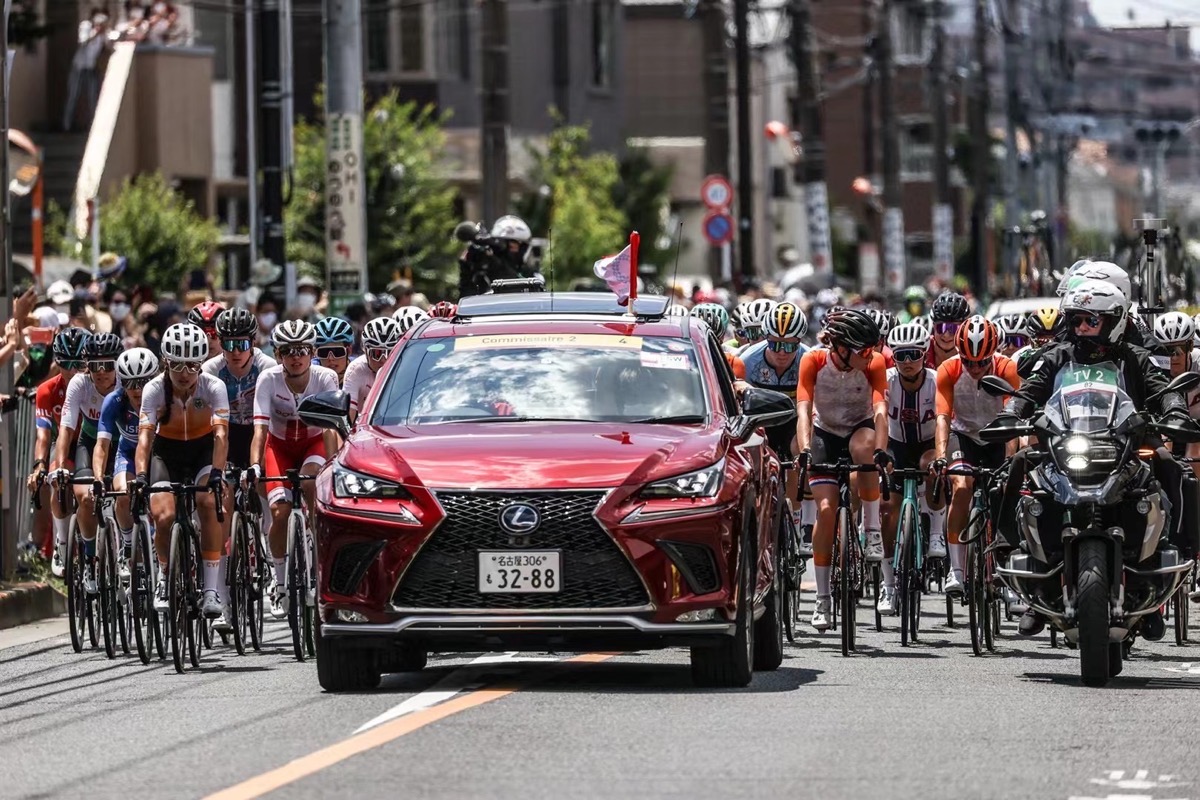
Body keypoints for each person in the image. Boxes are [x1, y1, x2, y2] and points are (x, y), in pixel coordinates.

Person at [995, 279, 1192, 638]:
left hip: (1127, 442)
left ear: (1114, 320)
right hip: (1065, 442)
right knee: (1020, 462)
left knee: (1171, 466)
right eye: (1075, 320)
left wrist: (1175, 410)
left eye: (1090, 320)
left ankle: (1177, 552)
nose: (1081, 328)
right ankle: (1013, 551)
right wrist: (1013, 412)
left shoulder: (1135, 356)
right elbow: (1031, 389)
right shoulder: (1058, 354)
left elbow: (1163, 389)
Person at [795, 308, 890, 631]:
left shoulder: (875, 363)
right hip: (825, 433)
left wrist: (880, 450)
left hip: (859, 429)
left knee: (864, 447)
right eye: (863, 350)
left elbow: (879, 410)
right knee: (825, 509)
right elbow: (804, 409)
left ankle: (873, 530)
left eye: (872, 348)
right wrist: (806, 449)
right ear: (842, 348)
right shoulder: (814, 361)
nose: (871, 355)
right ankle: (822, 599)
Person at [133, 323, 230, 618]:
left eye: (192, 365)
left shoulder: (214, 386)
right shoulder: (153, 389)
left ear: (201, 364)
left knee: (208, 502)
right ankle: (165, 576)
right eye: (177, 364)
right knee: (163, 517)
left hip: (203, 451)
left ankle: (212, 591)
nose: (185, 372)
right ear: (166, 362)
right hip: (167, 454)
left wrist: (216, 473)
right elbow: (145, 439)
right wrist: (139, 476)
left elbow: (221, 436)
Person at [247, 320, 339, 618]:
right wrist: (255, 466)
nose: (295, 356)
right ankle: (280, 579)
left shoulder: (325, 378)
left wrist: (335, 465)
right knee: (279, 511)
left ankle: (316, 547)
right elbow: (259, 430)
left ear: (311, 352)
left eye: (301, 350)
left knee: (313, 484)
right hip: (279, 446)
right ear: (278, 355)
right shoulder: (268, 379)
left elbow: (329, 429)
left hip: (314, 443)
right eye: (287, 351)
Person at [933, 316, 1019, 596]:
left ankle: (1005, 567)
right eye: (968, 362)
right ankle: (956, 570)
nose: (975, 368)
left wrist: (1009, 461)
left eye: (982, 362)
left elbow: (1013, 420)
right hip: (964, 436)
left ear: (992, 355)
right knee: (961, 487)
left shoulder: (1007, 368)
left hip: (997, 436)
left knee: (1005, 491)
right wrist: (940, 456)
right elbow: (943, 418)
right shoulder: (949, 369)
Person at [50, 332, 123, 594]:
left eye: (107, 365)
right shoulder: (79, 384)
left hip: (120, 445)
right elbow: (66, 430)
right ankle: (90, 559)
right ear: (86, 367)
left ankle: (131, 550)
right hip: (89, 443)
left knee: (127, 496)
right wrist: (59, 466)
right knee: (85, 496)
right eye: (94, 366)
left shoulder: (126, 382)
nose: (101, 372)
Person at [879, 322, 943, 615]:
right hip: (895, 445)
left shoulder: (936, 380)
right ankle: (888, 584)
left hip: (927, 445)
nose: (907, 362)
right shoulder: (887, 380)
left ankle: (935, 534)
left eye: (913, 355)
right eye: (901, 355)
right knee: (887, 511)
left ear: (925, 353)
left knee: (930, 464)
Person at [93, 348, 159, 575]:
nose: (136, 389)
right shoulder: (114, 401)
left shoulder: (163, 397)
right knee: (122, 494)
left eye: (142, 382)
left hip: (159, 455)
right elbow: (102, 445)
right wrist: (99, 478)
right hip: (129, 453)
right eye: (130, 382)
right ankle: (128, 544)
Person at [31, 328, 90, 576]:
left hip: (91, 443)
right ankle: (62, 542)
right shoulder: (47, 390)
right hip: (64, 445)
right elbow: (43, 435)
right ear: (57, 361)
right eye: (66, 363)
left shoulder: (96, 385)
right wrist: (39, 466)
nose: (72, 369)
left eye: (79, 363)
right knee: (57, 478)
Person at [344, 317, 404, 425]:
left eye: (390, 352)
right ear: (364, 349)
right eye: (376, 353)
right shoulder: (356, 369)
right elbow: (348, 420)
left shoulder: (406, 367)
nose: (383, 359)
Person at [63, 9, 109, 132]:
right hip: (79, 67)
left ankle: (93, 126)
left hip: (91, 68)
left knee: (92, 96)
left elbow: (105, 48)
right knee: (73, 95)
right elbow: (82, 41)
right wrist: (94, 34)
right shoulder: (86, 27)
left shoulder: (102, 36)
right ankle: (66, 125)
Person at [927, 291, 971, 369]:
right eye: (941, 327)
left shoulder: (973, 353)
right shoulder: (922, 351)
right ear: (933, 326)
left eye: (953, 328)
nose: (946, 335)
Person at [313, 316, 356, 386]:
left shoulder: (359, 369)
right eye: (324, 352)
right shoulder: (309, 372)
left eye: (337, 352)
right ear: (316, 353)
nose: (330, 358)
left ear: (349, 351)